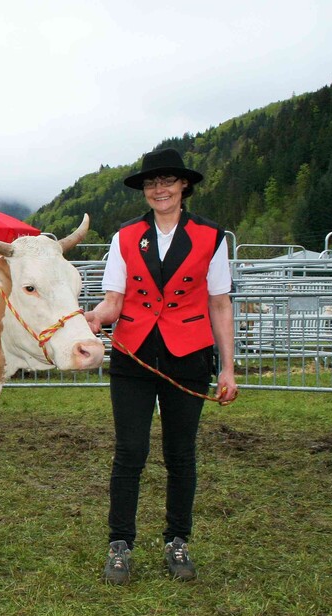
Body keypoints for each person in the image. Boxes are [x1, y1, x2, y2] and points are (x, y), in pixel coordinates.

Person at [85, 148, 238, 585]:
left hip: (188, 355)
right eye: (152, 183)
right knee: (130, 452)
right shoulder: (125, 237)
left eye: (168, 181)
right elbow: (114, 301)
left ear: (184, 185)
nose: (160, 189)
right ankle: (120, 544)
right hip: (133, 354)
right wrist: (94, 318)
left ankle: (177, 541)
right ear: (145, 191)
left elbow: (219, 304)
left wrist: (228, 368)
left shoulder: (212, 236)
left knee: (180, 453)